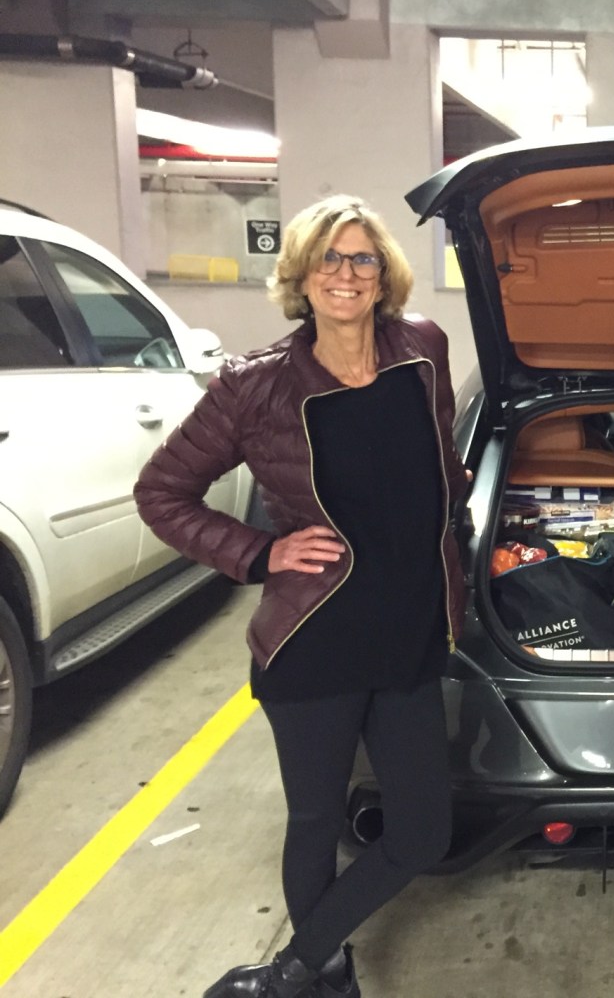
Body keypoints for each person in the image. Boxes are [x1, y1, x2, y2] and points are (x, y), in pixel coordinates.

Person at [135, 196, 469, 998]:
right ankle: (324, 974)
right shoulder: (255, 386)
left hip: (410, 637)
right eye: (328, 259)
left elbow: (443, 464)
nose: (345, 275)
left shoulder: (421, 348)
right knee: (316, 824)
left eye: (361, 259)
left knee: (422, 833)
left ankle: (288, 969)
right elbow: (162, 493)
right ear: (300, 276)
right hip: (313, 644)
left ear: (384, 274)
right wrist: (259, 553)